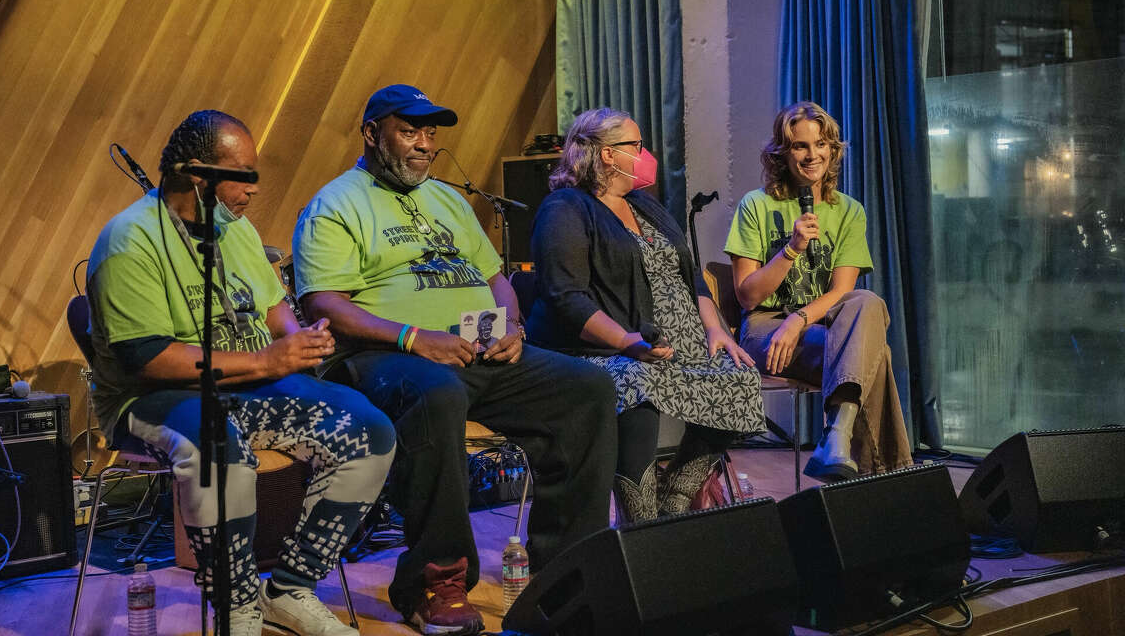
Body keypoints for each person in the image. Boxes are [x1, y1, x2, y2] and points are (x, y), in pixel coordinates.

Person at [292, 84, 616, 636]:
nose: (424, 144)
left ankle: (564, 573)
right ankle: (434, 581)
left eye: (430, 133)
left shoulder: (446, 200)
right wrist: (414, 338)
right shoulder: (335, 204)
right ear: (372, 134)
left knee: (587, 387)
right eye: (409, 130)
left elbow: (497, 279)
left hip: (477, 349)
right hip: (385, 357)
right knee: (435, 395)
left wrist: (512, 325)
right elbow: (323, 303)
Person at [86, 110, 396, 636]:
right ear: (195, 174)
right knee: (219, 451)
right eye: (241, 174)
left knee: (370, 432)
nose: (252, 189)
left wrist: (300, 339)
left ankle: (292, 590)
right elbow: (151, 360)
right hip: (153, 397)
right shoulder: (130, 240)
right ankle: (239, 607)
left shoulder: (236, 229)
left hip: (247, 388)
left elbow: (274, 311)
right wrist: (266, 362)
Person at [526, 108, 766, 521]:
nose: (645, 153)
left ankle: (673, 501)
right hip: (609, 348)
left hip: (682, 344)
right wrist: (627, 342)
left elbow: (689, 275)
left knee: (739, 376)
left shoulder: (645, 205)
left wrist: (716, 329)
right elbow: (566, 296)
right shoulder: (566, 208)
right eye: (636, 146)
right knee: (638, 382)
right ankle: (640, 519)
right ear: (606, 155)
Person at [723, 101, 913, 481]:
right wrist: (790, 249)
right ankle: (884, 478)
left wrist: (799, 319)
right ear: (782, 153)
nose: (812, 155)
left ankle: (837, 439)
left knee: (866, 301)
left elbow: (844, 292)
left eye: (820, 144)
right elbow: (747, 296)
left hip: (819, 325)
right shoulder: (755, 206)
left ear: (832, 149)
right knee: (877, 353)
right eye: (800, 146)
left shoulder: (849, 212)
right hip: (766, 331)